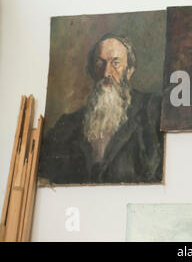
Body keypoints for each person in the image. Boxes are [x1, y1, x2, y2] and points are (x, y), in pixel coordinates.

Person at [39, 33, 163, 184]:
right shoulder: (69, 124)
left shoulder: (151, 110)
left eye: (115, 63)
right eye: (100, 63)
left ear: (129, 71)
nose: (106, 73)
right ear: (92, 70)